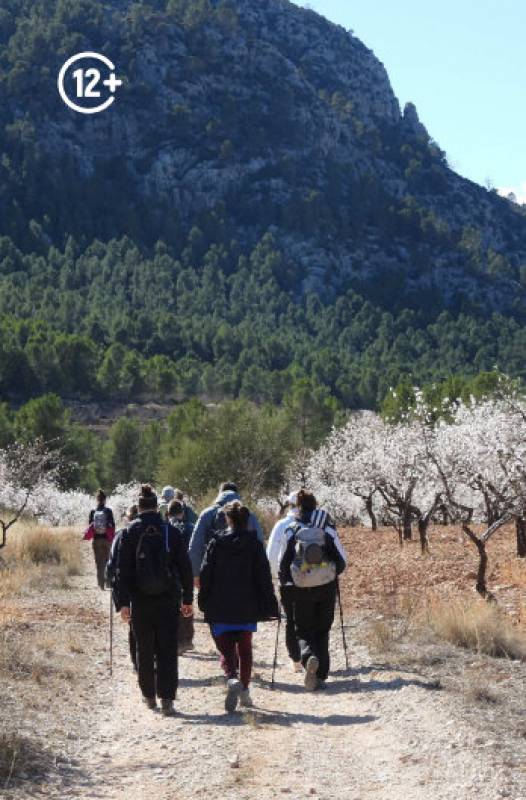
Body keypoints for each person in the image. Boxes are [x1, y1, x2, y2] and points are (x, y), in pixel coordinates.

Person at [116, 485, 194, 716]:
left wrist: (123, 603)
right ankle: (167, 698)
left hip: (140, 601)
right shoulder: (171, 531)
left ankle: (149, 696)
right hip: (168, 599)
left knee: (144, 648)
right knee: (167, 648)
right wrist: (188, 598)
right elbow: (185, 568)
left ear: (139, 507)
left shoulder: (130, 532)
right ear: (157, 508)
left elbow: (122, 570)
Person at [198, 501, 279, 712]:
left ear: (228, 519)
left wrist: (203, 599)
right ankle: (244, 690)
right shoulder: (254, 544)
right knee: (245, 649)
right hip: (247, 605)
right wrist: (270, 603)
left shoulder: (216, 542)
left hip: (220, 604)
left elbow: (206, 573)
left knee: (225, 648)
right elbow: (263, 576)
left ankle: (231, 677)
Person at [279, 490, 347, 692]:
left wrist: (286, 583)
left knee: (303, 629)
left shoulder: (292, 529)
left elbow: (284, 564)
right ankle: (322, 674)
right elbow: (341, 562)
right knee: (322, 629)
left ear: (297, 507)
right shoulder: (326, 529)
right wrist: (332, 574)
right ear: (315, 505)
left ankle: (309, 657)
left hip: (301, 588)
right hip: (325, 586)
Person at [189, 482, 264, 581]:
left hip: (214, 574)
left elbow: (195, 546)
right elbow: (260, 545)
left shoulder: (207, 514)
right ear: (237, 494)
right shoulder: (249, 515)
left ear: (220, 493)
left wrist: (196, 574)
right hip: (244, 575)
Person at [266, 491, 302, 672]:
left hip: (288, 581)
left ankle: (296, 660)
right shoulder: (315, 523)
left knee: (291, 620)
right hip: (313, 581)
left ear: (289, 505)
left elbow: (272, 555)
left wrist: (273, 578)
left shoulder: (282, 525)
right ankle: (311, 654)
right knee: (309, 618)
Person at [106, 505, 139, 670]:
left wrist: (110, 581)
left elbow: (111, 565)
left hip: (128, 588)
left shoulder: (121, 535)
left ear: (128, 518)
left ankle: (137, 663)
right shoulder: (154, 531)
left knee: (134, 626)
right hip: (149, 588)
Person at [168, 499, 195, 654]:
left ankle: (177, 641)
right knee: (187, 603)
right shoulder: (190, 528)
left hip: (172, 573)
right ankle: (187, 640)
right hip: (187, 570)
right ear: (183, 512)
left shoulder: (167, 528)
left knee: (175, 607)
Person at [83, 490, 115, 590]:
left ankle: (101, 584)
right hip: (107, 540)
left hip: (97, 540)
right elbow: (112, 525)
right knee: (108, 560)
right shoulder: (108, 511)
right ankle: (108, 582)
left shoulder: (93, 511)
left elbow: (90, 526)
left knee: (99, 562)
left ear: (97, 499)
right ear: (105, 500)